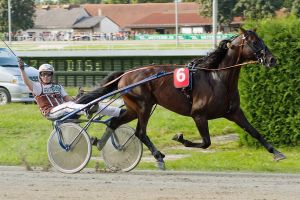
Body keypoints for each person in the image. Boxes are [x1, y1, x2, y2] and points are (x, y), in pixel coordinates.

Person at [18, 60, 122, 120]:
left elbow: (68, 99)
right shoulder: (37, 87)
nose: (46, 76)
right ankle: (86, 110)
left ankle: (119, 112)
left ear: (52, 75)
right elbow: (27, 82)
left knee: (92, 103)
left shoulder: (58, 86)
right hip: (51, 112)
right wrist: (22, 69)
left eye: (48, 74)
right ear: (40, 75)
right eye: (43, 74)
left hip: (64, 109)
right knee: (68, 106)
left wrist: (78, 97)